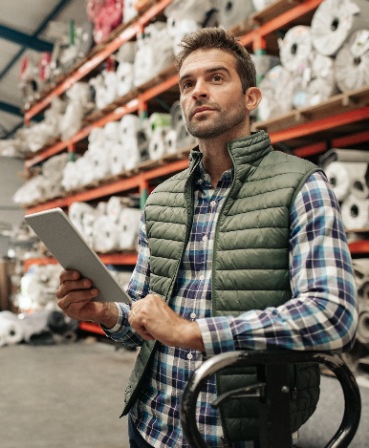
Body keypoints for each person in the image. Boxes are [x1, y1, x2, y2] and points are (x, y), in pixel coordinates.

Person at [55, 27, 358, 447]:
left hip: (239, 432)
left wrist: (194, 333)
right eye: (188, 83)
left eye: (216, 78)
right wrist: (104, 312)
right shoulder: (160, 201)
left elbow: (332, 315)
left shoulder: (301, 185)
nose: (198, 91)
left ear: (251, 98)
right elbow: (143, 316)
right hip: (151, 426)